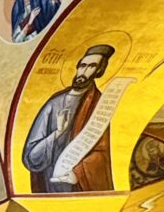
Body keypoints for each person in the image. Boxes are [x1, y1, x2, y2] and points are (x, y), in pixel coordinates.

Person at [22, 44, 116, 193]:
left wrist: (77, 174)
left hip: (79, 186)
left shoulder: (99, 105)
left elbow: (102, 153)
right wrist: (58, 133)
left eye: (91, 67)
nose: (83, 72)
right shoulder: (54, 104)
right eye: (82, 66)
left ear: (99, 71)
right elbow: (31, 158)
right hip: (51, 187)